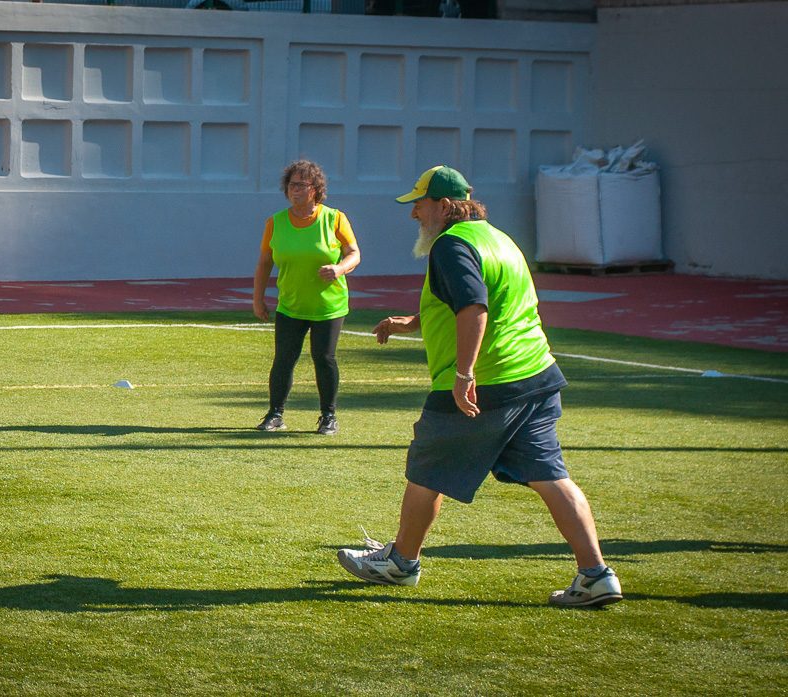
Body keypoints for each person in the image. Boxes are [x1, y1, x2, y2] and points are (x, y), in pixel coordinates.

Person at [336, 165, 622, 607]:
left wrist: (464, 374)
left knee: (426, 469)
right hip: (536, 377)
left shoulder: (451, 245)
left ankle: (400, 563)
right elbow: (479, 299)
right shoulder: (500, 238)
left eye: (420, 203)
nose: (414, 213)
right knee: (551, 475)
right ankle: (596, 575)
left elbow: (474, 306)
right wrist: (412, 322)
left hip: (488, 383)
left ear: (446, 206)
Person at [253, 160, 361, 435]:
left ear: (315, 189)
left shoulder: (335, 218)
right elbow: (265, 262)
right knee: (284, 359)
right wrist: (258, 298)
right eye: (291, 185)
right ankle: (275, 413)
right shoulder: (275, 222)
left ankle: (328, 416)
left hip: (328, 306)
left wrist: (339, 269)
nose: (294, 190)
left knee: (324, 358)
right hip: (291, 304)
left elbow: (354, 253)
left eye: (301, 185)